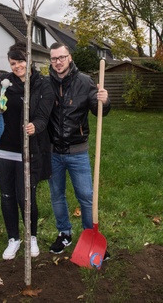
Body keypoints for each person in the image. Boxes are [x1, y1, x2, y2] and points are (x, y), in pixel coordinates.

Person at [0, 42, 55, 261]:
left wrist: (36, 126)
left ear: (29, 60)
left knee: (26, 197)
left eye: (21, 61)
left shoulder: (42, 84)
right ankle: (13, 239)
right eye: (13, 63)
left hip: (29, 151)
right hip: (4, 150)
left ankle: (31, 236)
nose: (17, 66)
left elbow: (44, 115)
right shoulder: (3, 83)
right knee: (7, 195)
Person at [47, 42, 111, 254]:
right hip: (53, 151)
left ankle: (88, 235)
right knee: (57, 195)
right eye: (54, 58)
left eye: (62, 57)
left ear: (70, 57)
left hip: (77, 152)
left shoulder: (84, 82)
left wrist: (104, 100)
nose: (58, 62)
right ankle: (64, 233)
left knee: (85, 196)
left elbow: (99, 110)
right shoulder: (46, 84)